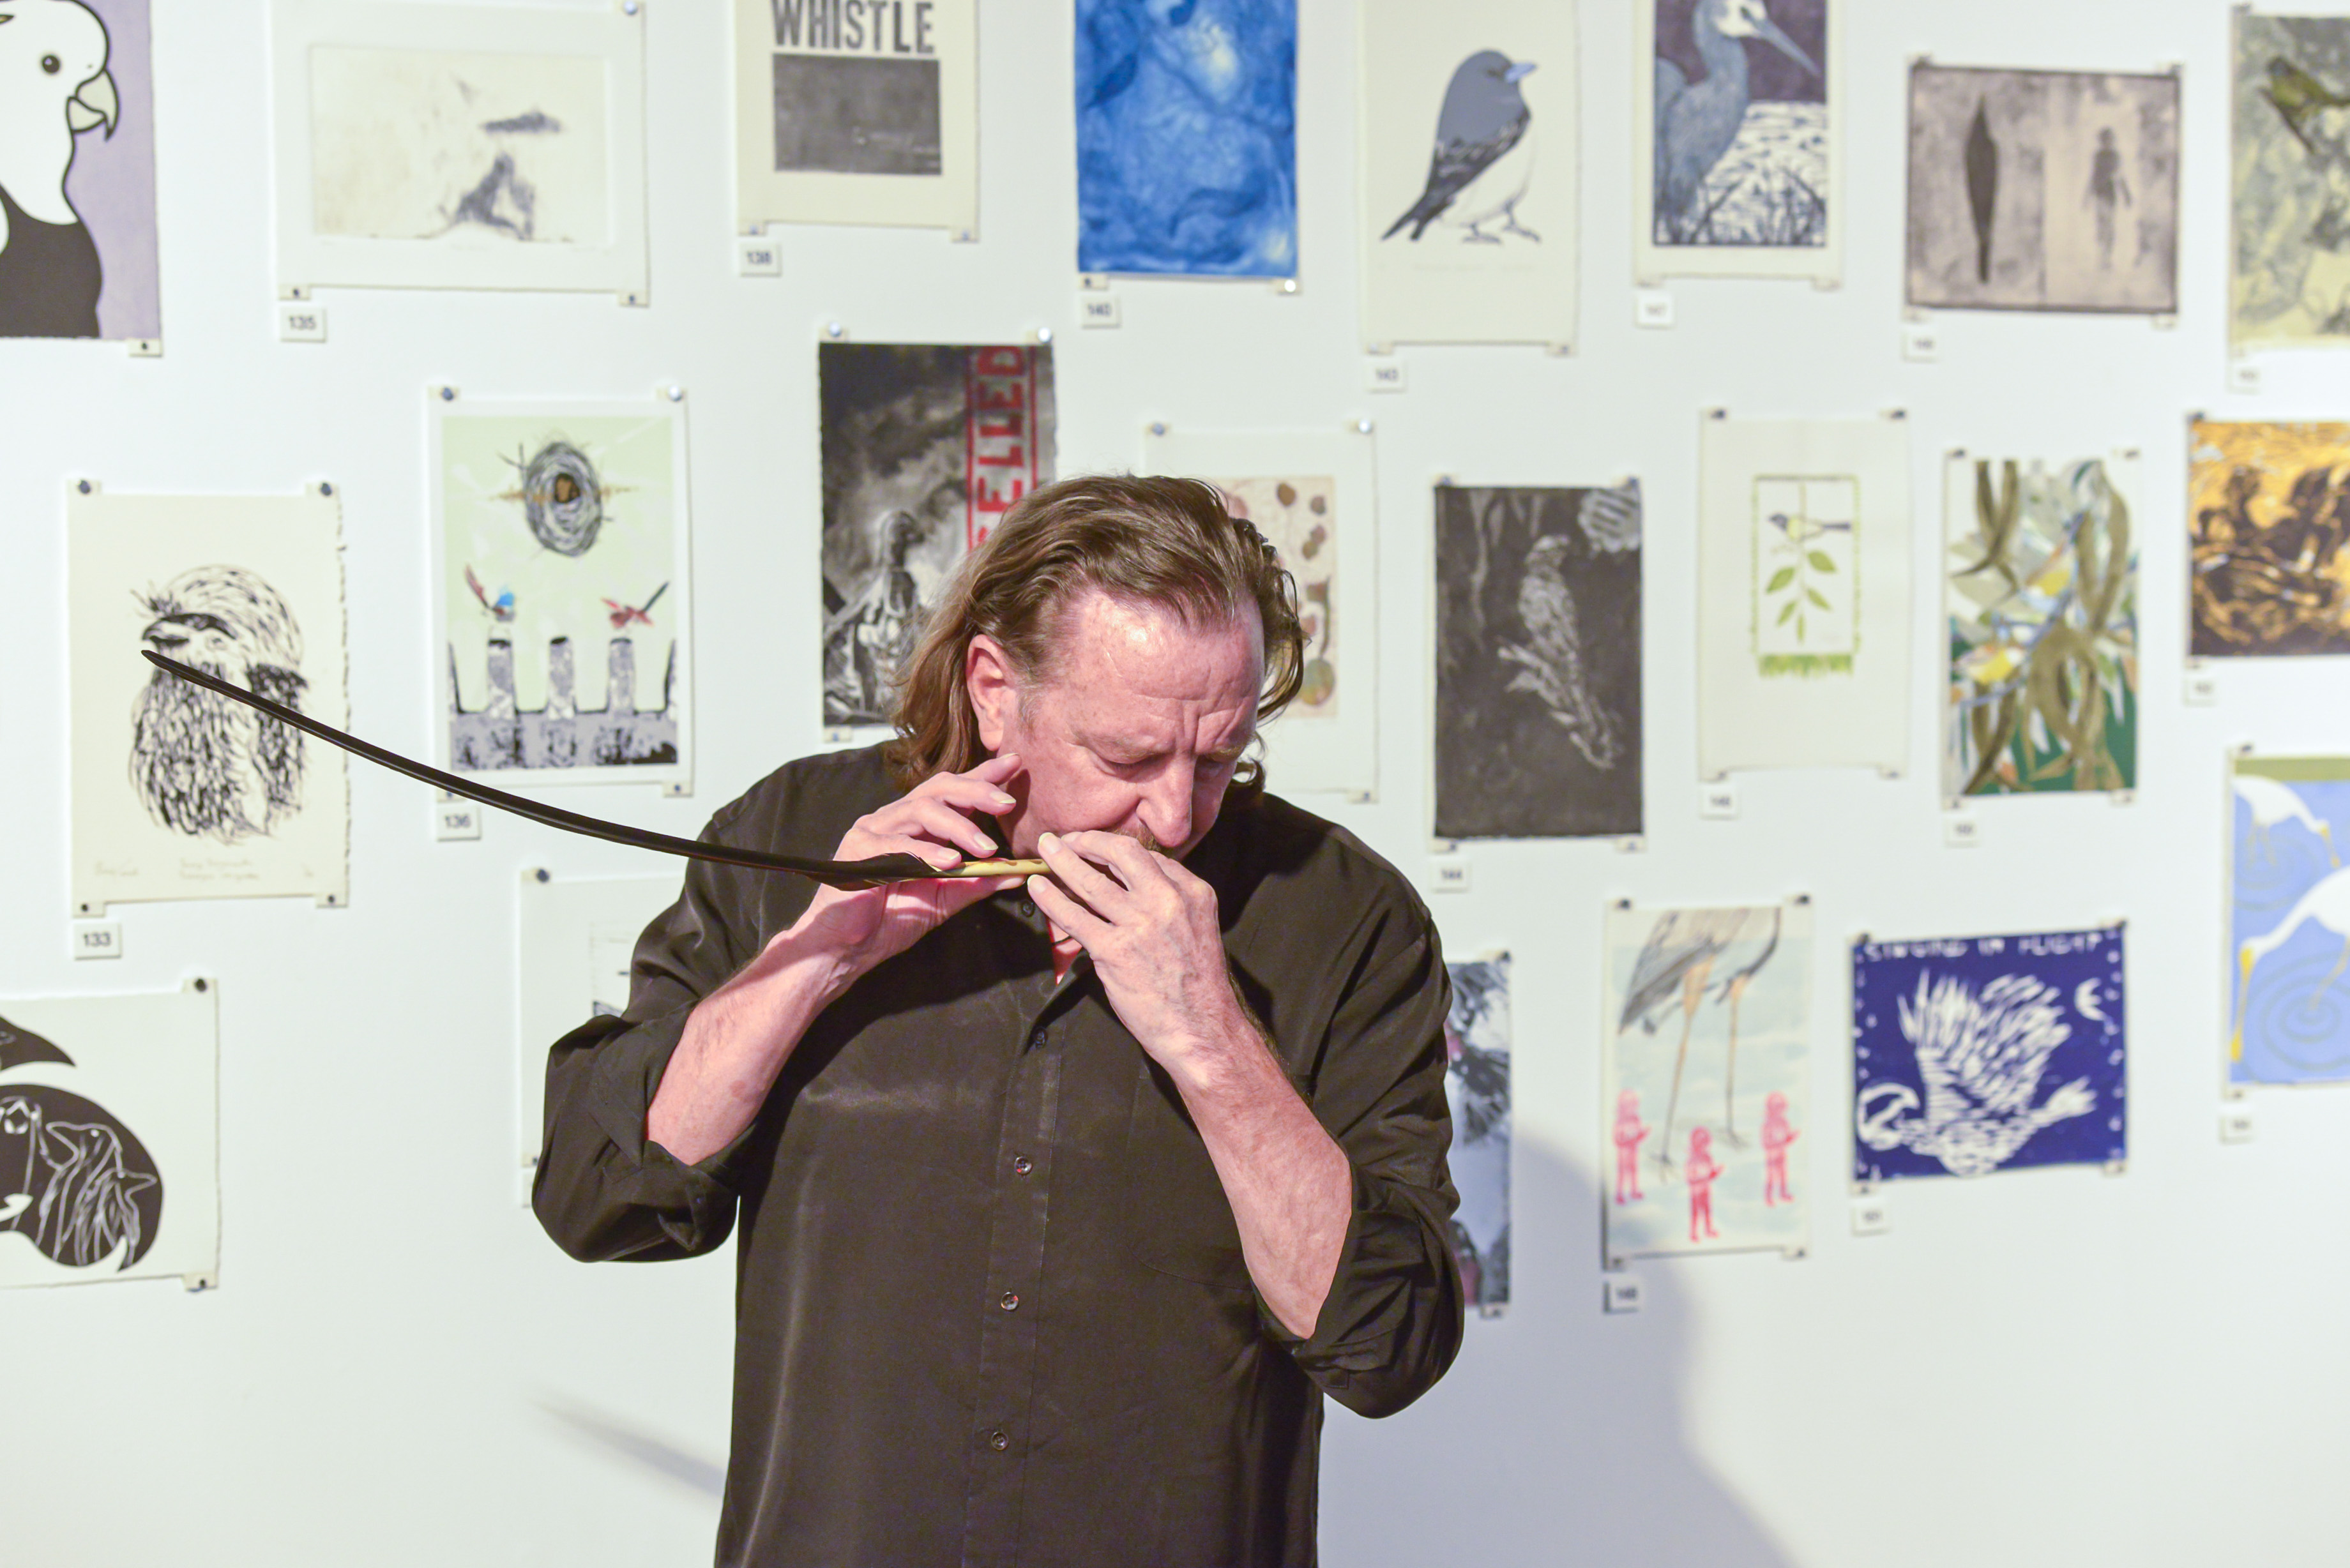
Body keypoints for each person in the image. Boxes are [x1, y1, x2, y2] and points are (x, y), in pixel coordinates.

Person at [534, 475, 1464, 1566]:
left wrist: (1214, 1040)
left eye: (1218, 756)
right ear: (994, 690)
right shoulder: (798, 833)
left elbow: (1388, 1344)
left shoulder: (1347, 916)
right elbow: (599, 1196)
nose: (1176, 814)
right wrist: (815, 959)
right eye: (1126, 757)